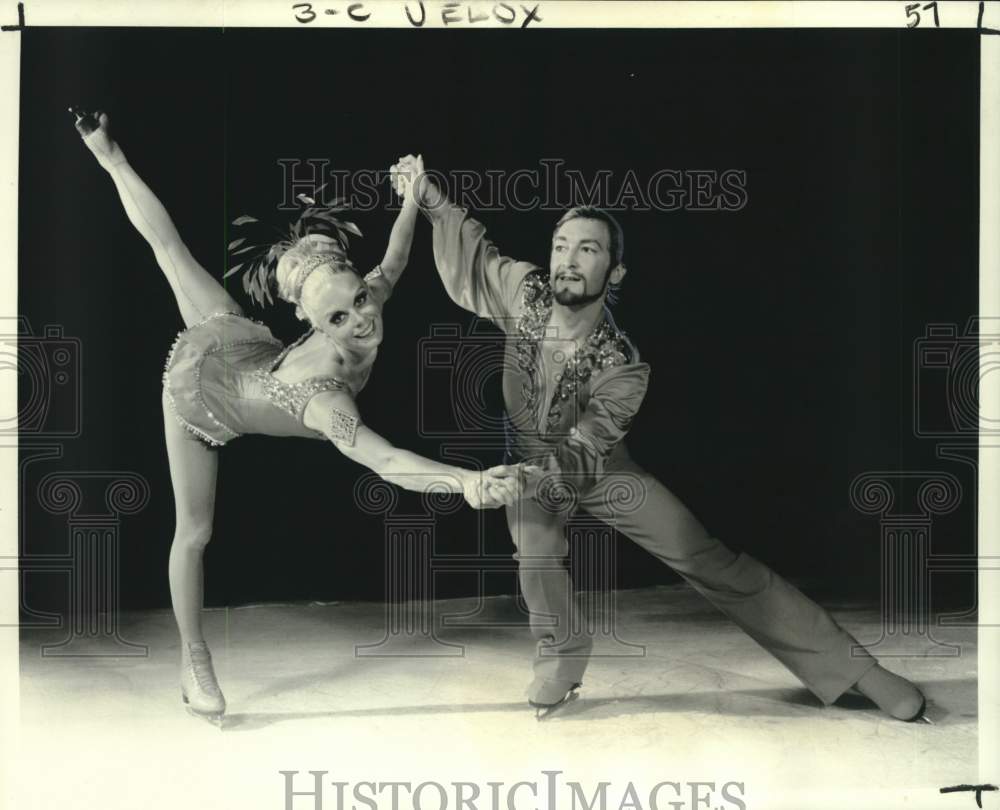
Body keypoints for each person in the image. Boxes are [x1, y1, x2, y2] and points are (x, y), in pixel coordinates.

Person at [405, 155, 928, 722]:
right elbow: (475, 250)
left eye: (589, 249)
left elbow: (585, 451)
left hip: (602, 468)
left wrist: (525, 479)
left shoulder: (625, 364)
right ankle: (561, 663)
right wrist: (426, 193)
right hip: (527, 466)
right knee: (535, 557)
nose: (568, 259)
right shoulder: (522, 291)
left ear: (616, 272)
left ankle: (857, 671)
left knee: (706, 559)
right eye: (561, 245)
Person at [72, 113, 525, 725]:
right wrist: (466, 482)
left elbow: (390, 264)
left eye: (359, 301)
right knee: (195, 533)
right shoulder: (326, 399)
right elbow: (385, 460)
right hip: (203, 392)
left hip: (246, 347)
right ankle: (194, 656)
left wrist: (413, 199)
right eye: (338, 318)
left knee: (171, 250)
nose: (361, 319)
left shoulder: (363, 298)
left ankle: (110, 156)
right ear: (315, 325)